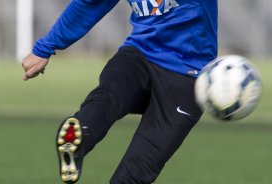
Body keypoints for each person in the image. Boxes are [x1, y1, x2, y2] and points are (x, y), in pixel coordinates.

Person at [21, 0, 218, 183]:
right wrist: (44, 48)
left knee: (110, 100)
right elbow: (90, 3)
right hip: (147, 57)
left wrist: (44, 49)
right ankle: (79, 136)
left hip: (186, 75)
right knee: (110, 97)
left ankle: (82, 131)